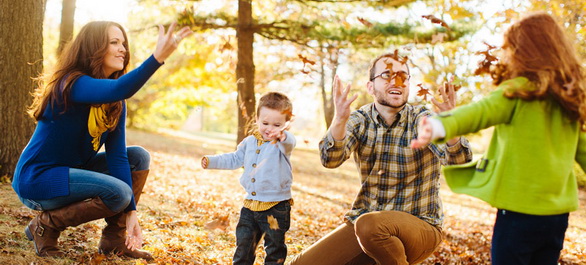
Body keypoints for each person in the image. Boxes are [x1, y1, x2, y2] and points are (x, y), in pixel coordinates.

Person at [410, 12, 585, 265]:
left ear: (522, 52)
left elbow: (478, 113)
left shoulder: (518, 91)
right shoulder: (569, 99)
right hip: (556, 217)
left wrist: (439, 125)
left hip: (518, 214)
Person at [13, 21, 193, 260]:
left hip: (71, 173)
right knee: (119, 192)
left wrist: (131, 213)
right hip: (38, 179)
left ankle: (115, 240)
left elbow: (118, 157)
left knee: (137, 157)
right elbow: (119, 88)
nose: (123, 49)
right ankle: (45, 225)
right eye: (114, 42)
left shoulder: (116, 102)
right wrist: (157, 58)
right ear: (94, 48)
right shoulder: (72, 83)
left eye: (123, 43)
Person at [288, 52, 473, 265]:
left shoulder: (422, 119)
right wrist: (338, 120)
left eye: (403, 76)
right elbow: (330, 159)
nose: (397, 82)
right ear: (370, 87)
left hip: (420, 227)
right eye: (387, 75)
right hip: (366, 227)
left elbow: (458, 160)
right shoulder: (359, 119)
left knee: (370, 226)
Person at [201, 92, 296, 265]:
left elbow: (290, 143)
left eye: (277, 124)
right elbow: (235, 159)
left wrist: (283, 136)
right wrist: (212, 161)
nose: (270, 128)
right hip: (250, 207)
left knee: (274, 248)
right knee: (244, 246)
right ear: (257, 120)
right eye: (265, 123)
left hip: (275, 209)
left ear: (285, 125)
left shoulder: (282, 144)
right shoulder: (249, 142)